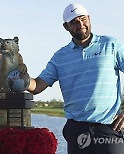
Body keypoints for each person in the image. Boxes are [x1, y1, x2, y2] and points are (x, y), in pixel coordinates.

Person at [26, 3, 124, 154]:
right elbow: (37, 86)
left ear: (89, 19)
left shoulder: (111, 45)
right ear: (66, 26)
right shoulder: (60, 57)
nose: (80, 25)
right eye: (74, 22)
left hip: (109, 128)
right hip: (76, 130)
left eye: (83, 19)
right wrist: (17, 74)